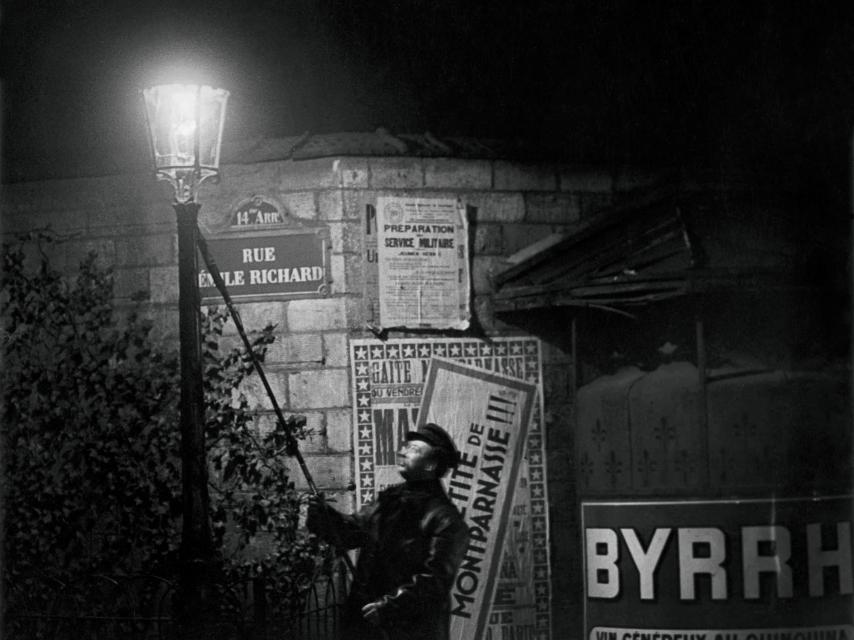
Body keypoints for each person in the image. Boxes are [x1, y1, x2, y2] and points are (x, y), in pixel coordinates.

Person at [307, 423, 469, 640]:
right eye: (405, 446)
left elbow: (434, 582)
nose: (403, 451)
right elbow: (350, 533)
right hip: (366, 623)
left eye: (414, 449)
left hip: (411, 631)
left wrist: (389, 607)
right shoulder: (389, 502)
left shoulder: (446, 520)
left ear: (431, 464)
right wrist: (323, 515)